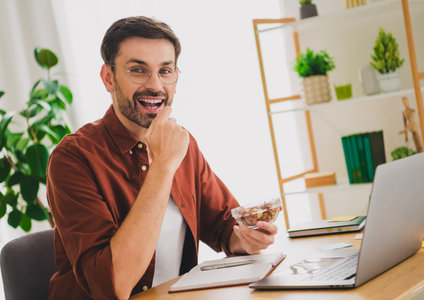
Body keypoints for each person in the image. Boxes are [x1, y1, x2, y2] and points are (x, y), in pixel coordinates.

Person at [46, 16, 277, 300]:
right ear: (108, 78)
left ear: (176, 78)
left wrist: (249, 239)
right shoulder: (73, 158)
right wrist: (163, 165)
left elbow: (224, 226)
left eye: (165, 71)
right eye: (138, 70)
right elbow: (111, 286)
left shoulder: (182, 143)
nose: (155, 85)